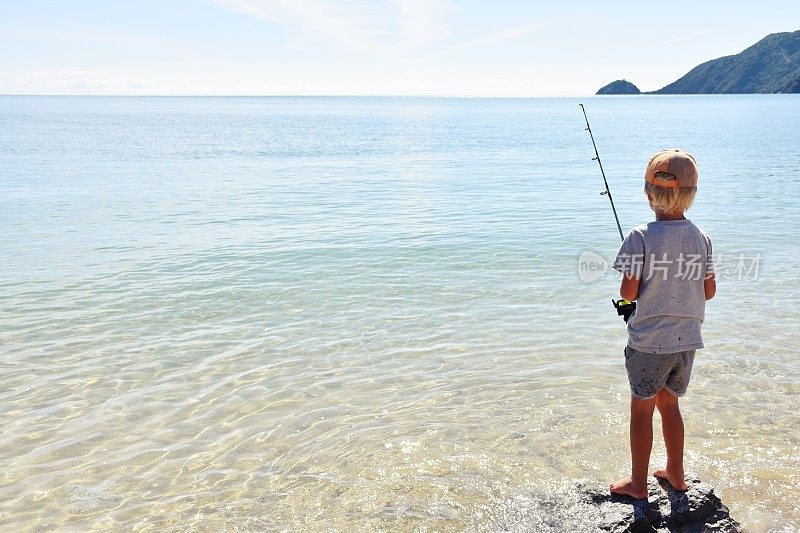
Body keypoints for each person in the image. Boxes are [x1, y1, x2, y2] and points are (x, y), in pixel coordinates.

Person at [609, 149, 716, 500]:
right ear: (692, 194)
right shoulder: (702, 237)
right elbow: (709, 291)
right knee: (670, 406)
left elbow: (629, 291)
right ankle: (677, 473)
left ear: (648, 193)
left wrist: (633, 296)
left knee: (641, 409)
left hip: (649, 342)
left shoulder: (640, 236)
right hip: (687, 341)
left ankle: (638, 484)